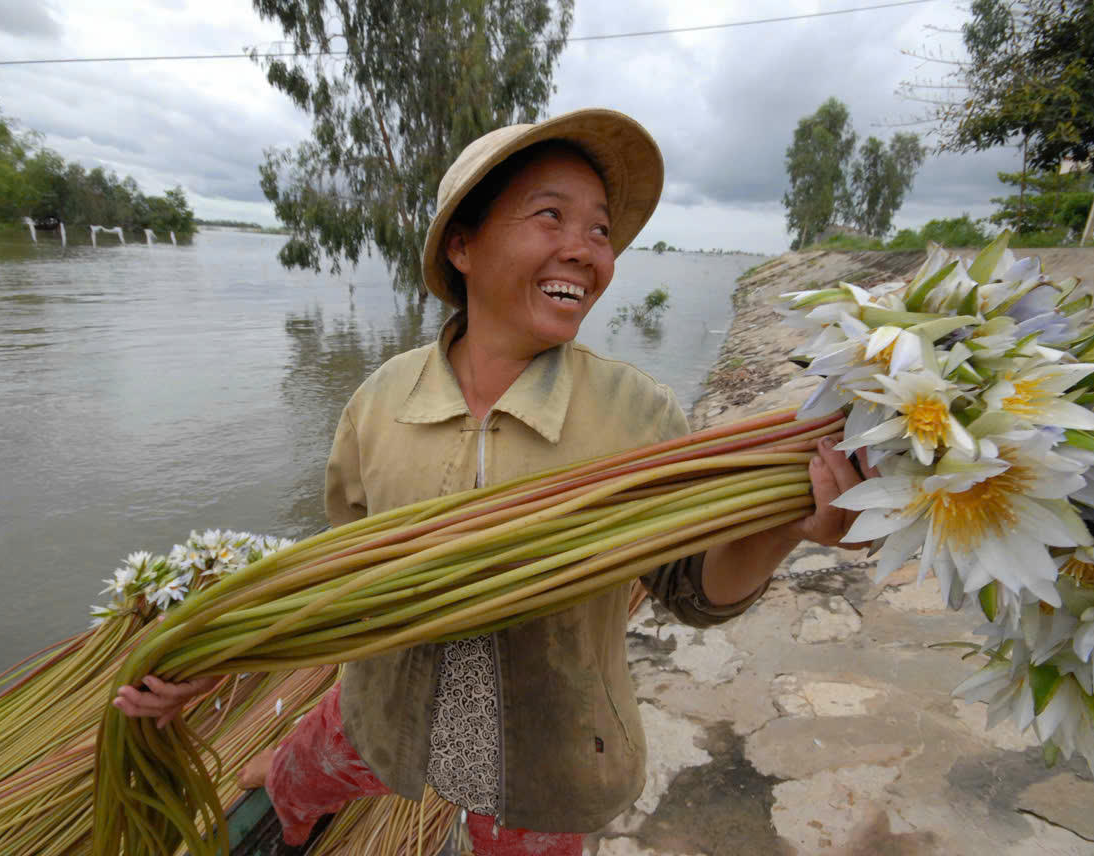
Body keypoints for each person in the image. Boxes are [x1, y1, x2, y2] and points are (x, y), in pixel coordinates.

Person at [114, 108, 876, 855]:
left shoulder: (639, 415)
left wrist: (781, 526)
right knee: (306, 772)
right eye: (551, 216)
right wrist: (209, 655)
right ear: (463, 246)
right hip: (385, 714)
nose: (585, 250)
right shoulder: (379, 402)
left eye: (601, 230)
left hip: (542, 760)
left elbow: (689, 589)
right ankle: (289, 802)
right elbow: (335, 577)